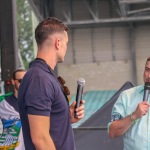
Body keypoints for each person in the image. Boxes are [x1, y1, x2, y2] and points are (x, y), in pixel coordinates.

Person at [18, 17, 85, 150]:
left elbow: (47, 127)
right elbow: (40, 138)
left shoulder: (42, 76)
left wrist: (65, 118)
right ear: (58, 43)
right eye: (66, 43)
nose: (66, 47)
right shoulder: (39, 79)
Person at [108, 57, 150, 150]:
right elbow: (112, 132)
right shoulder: (127, 96)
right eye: (147, 69)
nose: (149, 75)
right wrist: (134, 115)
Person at [0, 69, 26, 150]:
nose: (25, 83)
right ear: (13, 81)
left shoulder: (38, 101)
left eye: (27, 80)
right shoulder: (2, 102)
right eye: (21, 80)